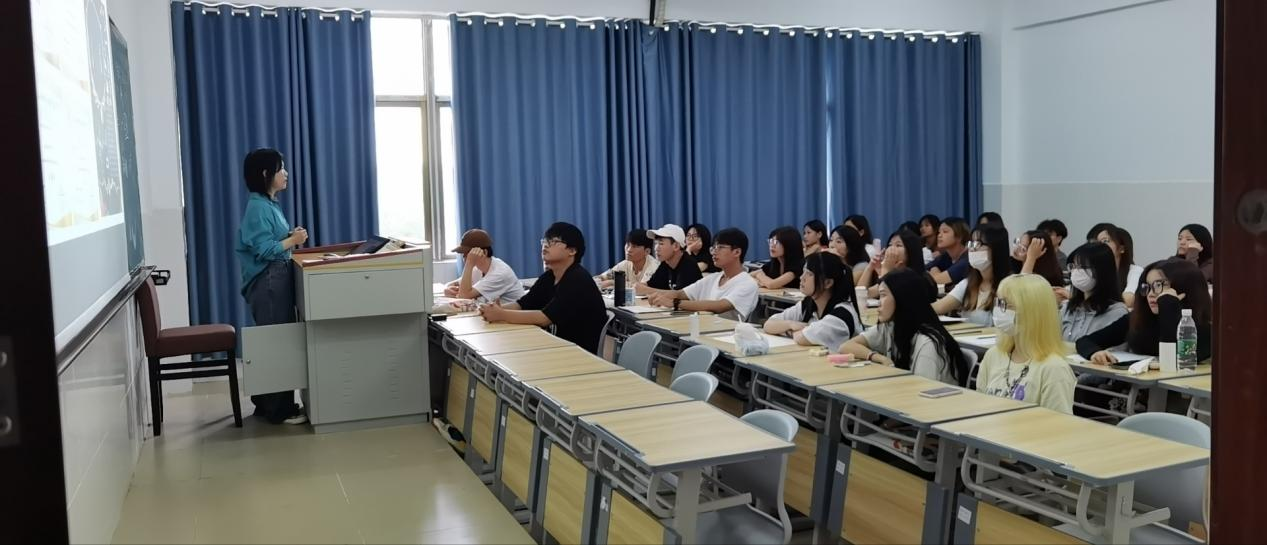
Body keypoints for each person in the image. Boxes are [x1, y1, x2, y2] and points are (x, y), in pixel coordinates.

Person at [235, 148, 308, 425]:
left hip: (276, 276)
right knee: (277, 342)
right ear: (266, 174)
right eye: (281, 169)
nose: (286, 173)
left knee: (274, 340)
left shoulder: (268, 203)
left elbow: (270, 239)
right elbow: (265, 250)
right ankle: (280, 409)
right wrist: (293, 240)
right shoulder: (258, 207)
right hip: (269, 279)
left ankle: (268, 403)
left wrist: (289, 236)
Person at [479, 222, 608, 354]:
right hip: (554, 345)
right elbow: (523, 304)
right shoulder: (550, 276)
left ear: (572, 251)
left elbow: (544, 319)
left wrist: (501, 314)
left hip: (578, 353)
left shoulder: (577, 279)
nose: (545, 246)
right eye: (545, 241)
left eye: (553, 242)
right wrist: (492, 309)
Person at [839, 268, 969, 386]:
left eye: (883, 295)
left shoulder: (928, 345)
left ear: (901, 297)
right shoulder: (891, 327)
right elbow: (846, 346)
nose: (879, 303)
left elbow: (922, 391)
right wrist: (879, 358)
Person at [1075, 258, 1212, 364]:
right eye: (1148, 287)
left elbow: (1173, 358)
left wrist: (1168, 306)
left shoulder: (1206, 328)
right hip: (1136, 388)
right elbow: (1085, 341)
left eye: (1159, 285)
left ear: (1184, 288)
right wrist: (1094, 353)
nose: (1150, 294)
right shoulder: (1138, 319)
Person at [975, 274, 1077, 413]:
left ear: (1031, 312)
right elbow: (980, 406)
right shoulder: (994, 355)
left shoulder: (1054, 369)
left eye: (1006, 305)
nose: (999, 310)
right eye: (998, 302)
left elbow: (1058, 423)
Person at [648, 228, 760, 321]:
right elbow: (680, 293)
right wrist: (658, 296)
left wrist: (675, 303)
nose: (714, 252)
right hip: (701, 327)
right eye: (713, 248)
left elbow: (720, 306)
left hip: (726, 335)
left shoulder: (747, 283)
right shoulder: (713, 278)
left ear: (737, 252)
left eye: (720, 247)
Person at [763, 252, 864, 350]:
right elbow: (768, 324)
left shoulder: (841, 315)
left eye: (809, 274)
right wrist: (791, 324)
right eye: (803, 272)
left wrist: (789, 330)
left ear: (827, 283)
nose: (801, 277)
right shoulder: (807, 304)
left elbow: (801, 338)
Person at [933, 223, 1011, 326]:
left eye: (978, 244)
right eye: (971, 243)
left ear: (996, 248)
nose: (972, 249)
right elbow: (937, 308)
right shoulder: (968, 284)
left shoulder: (1009, 286)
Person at [1060, 242, 1129, 346]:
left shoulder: (1117, 312)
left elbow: (1115, 351)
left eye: (1083, 267)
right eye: (1073, 266)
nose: (1076, 271)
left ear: (1102, 271)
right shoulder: (1067, 308)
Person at [443, 229, 527, 305]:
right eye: (463, 253)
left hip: (512, 315)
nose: (464, 257)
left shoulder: (499, 273)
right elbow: (454, 283)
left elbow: (464, 296)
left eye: (468, 253)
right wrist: (447, 288)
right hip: (493, 314)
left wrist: (469, 264)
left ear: (484, 252)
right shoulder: (478, 268)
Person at [859, 229, 930, 299]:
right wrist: (870, 267)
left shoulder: (913, 278)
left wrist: (886, 271)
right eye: (890, 245)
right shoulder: (891, 272)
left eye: (898, 245)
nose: (891, 249)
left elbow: (886, 298)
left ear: (911, 251)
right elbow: (861, 294)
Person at [637, 224, 702, 294]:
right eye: (655, 243)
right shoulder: (665, 263)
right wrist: (637, 287)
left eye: (661, 243)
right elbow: (650, 285)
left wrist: (647, 290)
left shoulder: (688, 265)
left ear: (676, 246)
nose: (656, 248)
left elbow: (679, 295)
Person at [1094, 225, 1144, 308]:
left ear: (1121, 248)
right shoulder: (1095, 272)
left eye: (1105, 241)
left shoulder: (1135, 270)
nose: (1099, 246)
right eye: (1097, 242)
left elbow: (1129, 299)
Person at [926, 217, 971, 287]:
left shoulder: (967, 258)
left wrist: (934, 270)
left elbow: (937, 280)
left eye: (945, 232)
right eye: (939, 232)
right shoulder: (946, 256)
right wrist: (934, 269)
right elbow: (922, 271)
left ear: (959, 236)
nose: (939, 235)